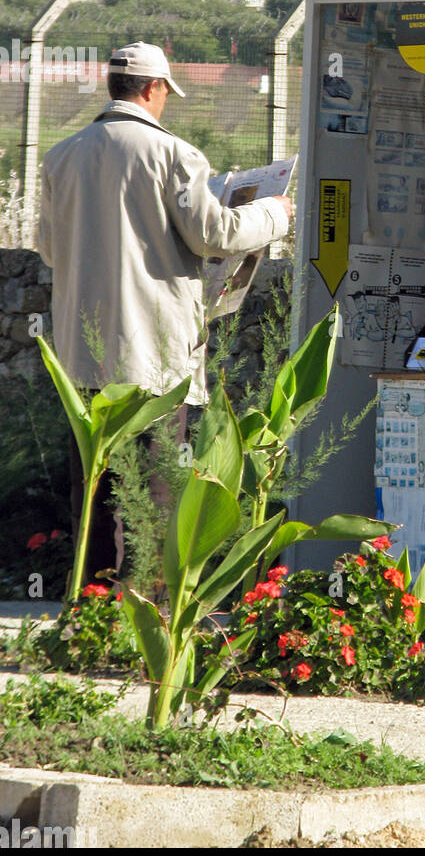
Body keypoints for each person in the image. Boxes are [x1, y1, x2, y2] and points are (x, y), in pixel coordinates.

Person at [36, 41, 293, 579]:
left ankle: (94, 608)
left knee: (99, 488)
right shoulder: (173, 155)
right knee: (152, 491)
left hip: (81, 359)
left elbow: (51, 250)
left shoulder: (61, 157)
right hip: (151, 358)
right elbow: (214, 235)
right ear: (154, 89)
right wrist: (273, 212)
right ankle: (143, 611)